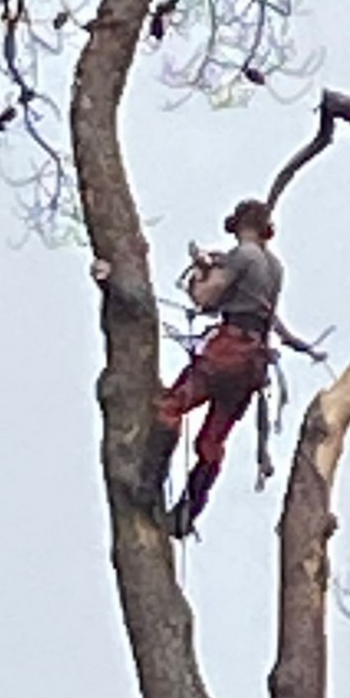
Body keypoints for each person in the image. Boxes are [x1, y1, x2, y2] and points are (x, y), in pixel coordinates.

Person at [145, 198, 288, 537]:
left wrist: (200, 273)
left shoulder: (243, 256)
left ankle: (147, 482)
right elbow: (240, 300)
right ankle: (187, 513)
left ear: (240, 224)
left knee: (170, 406)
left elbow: (207, 298)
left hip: (228, 352)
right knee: (212, 442)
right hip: (253, 363)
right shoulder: (275, 266)